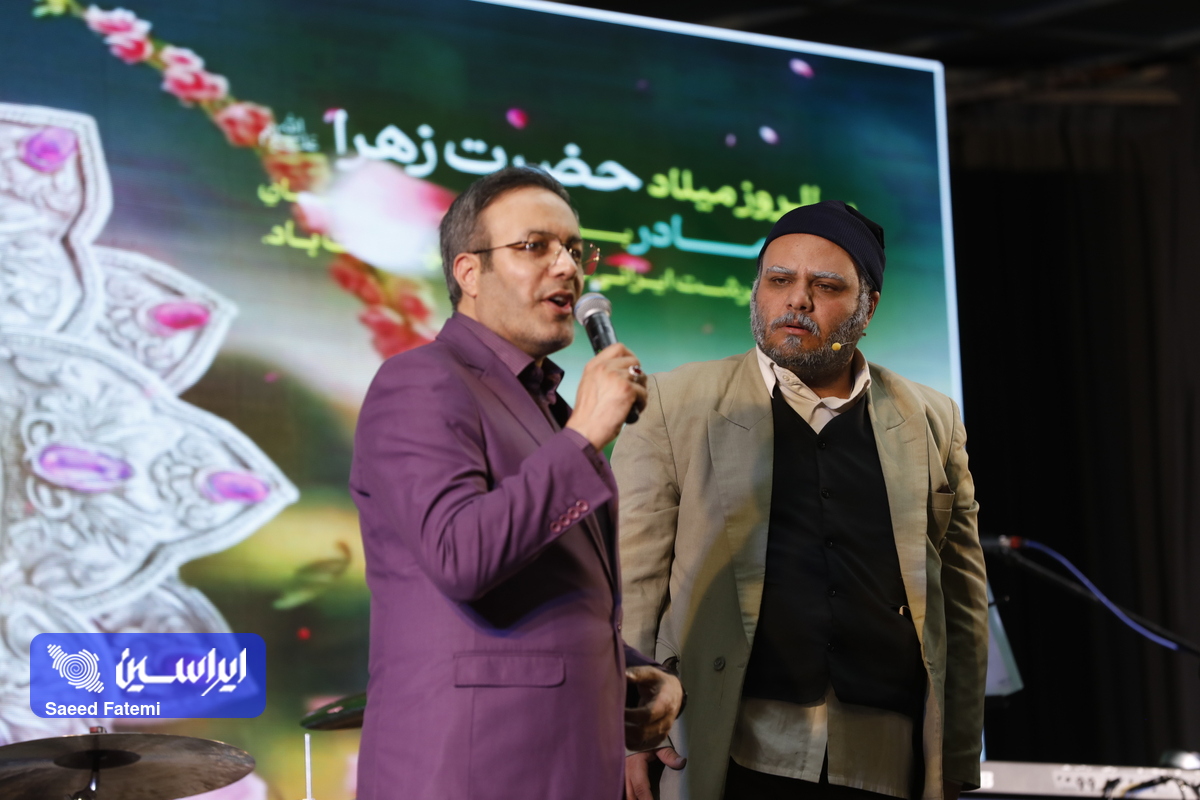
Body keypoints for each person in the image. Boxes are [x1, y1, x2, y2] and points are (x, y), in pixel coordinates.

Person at [612, 201, 988, 800]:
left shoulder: (932, 419)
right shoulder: (672, 403)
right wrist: (630, 730)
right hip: (725, 740)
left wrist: (960, 753)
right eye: (779, 280)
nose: (797, 301)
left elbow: (963, 602)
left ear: (868, 308)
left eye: (826, 286)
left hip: (883, 756)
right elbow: (632, 582)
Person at [351, 166, 684, 800]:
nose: (567, 267)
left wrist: (635, 671)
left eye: (574, 249)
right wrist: (584, 436)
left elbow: (557, 597)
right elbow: (461, 556)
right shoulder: (420, 381)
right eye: (535, 246)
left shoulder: (546, 409)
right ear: (469, 273)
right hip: (472, 774)